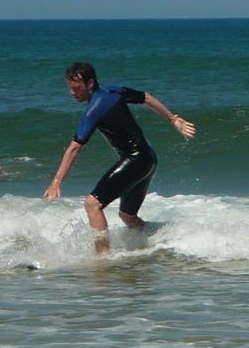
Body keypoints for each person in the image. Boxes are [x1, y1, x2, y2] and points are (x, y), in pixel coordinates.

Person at [44, 62, 196, 252]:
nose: (72, 93)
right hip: (148, 158)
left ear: (90, 84)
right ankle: (162, 242)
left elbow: (75, 148)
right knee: (127, 216)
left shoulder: (94, 110)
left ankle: (103, 258)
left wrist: (57, 181)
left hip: (136, 159)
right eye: (70, 89)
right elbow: (146, 98)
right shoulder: (113, 91)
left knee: (92, 204)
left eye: (76, 89)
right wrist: (173, 119)